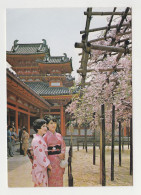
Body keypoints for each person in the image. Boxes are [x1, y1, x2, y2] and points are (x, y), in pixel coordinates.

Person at [43, 115, 66, 187]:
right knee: (51, 180)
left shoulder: (59, 135)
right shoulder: (45, 136)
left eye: (55, 123)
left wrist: (62, 153)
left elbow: (63, 146)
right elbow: (44, 152)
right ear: (47, 125)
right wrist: (47, 165)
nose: (54, 125)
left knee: (59, 179)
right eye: (51, 123)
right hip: (50, 161)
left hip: (59, 161)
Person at [31, 119, 52, 187]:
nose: (46, 128)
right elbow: (40, 155)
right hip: (40, 165)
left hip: (41, 165)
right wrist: (48, 165)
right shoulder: (37, 140)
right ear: (38, 128)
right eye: (43, 126)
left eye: (46, 126)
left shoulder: (40, 138)